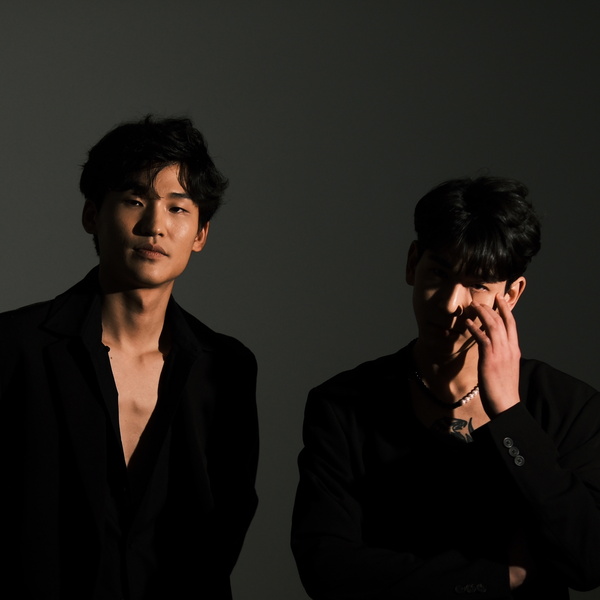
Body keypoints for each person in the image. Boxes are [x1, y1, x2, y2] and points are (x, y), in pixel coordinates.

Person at [291, 176, 600, 599]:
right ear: (412, 263)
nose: (451, 303)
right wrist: (499, 578)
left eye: (478, 285)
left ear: (511, 295)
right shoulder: (342, 405)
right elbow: (325, 568)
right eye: (439, 272)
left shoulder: (570, 406)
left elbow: (589, 562)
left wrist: (509, 414)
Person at [1, 115, 259, 600]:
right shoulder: (15, 348)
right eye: (134, 200)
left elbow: (229, 515)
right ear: (91, 215)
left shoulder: (227, 367)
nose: (154, 226)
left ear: (200, 233)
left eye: (178, 208)